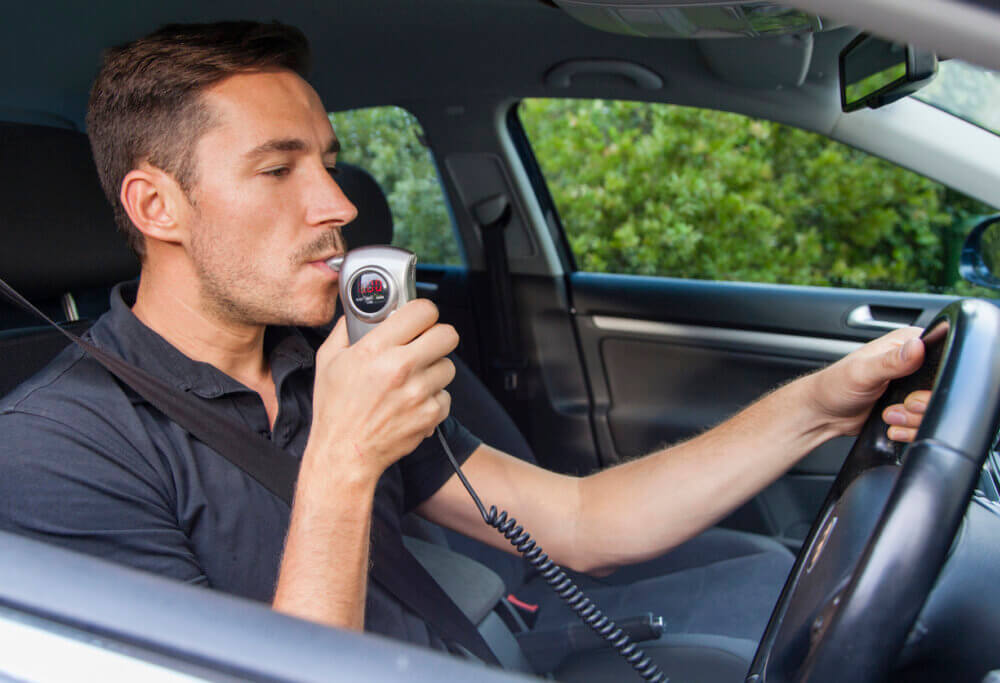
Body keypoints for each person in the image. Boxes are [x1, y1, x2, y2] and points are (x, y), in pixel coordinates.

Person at [0, 21, 930, 663]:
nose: (337, 205)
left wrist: (815, 409)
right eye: (278, 168)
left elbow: (580, 525)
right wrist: (341, 464)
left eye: (326, 160)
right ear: (156, 206)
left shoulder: (324, 364)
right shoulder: (57, 447)